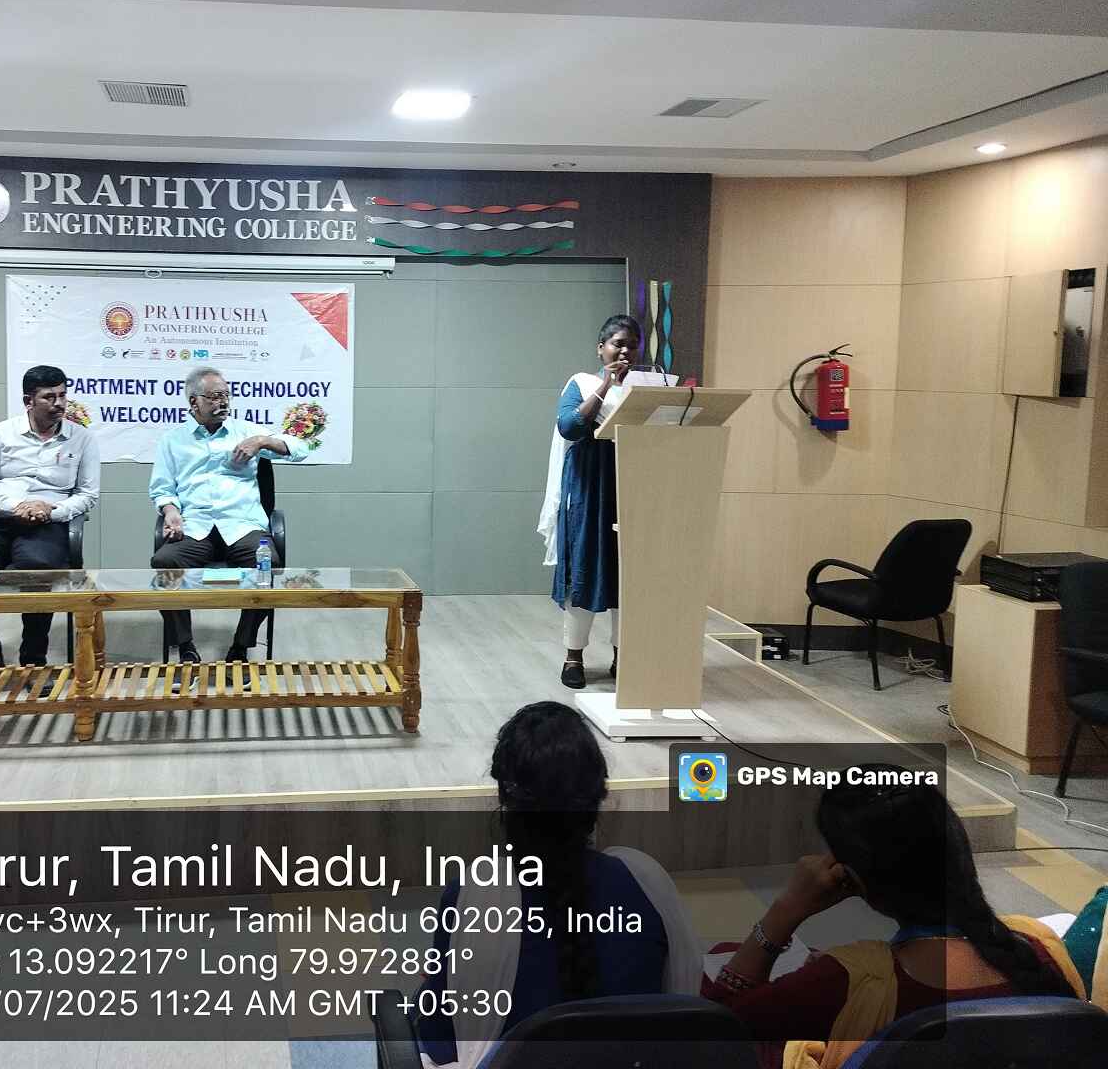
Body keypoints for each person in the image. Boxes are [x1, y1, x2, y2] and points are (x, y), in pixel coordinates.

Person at [703, 773, 1085, 1069]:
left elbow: (713, 1033)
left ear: (852, 878)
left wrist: (785, 911)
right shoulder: (1042, 948)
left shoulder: (852, 979)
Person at [414, 701, 701, 1069]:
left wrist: (434, 989)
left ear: (504, 797)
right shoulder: (649, 885)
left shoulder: (474, 897)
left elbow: (441, 1045)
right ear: (599, 796)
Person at [149, 367, 308, 663]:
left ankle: (241, 646)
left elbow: (301, 449)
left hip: (242, 525)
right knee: (164, 563)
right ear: (194, 402)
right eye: (214, 396)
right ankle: (185, 645)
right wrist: (170, 511)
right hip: (196, 527)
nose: (223, 402)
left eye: (226, 395)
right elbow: (162, 489)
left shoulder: (245, 431)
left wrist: (262, 441)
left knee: (267, 567)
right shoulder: (173, 440)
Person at [0, 364, 100, 667]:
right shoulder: (0, 433)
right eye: (49, 397)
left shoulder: (82, 438)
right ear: (28, 401)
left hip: (46, 523)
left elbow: (88, 495)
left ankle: (33, 657)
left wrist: (51, 510)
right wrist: (16, 507)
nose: (59, 404)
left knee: (38, 569)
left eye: (63, 395)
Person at [543, 314, 639, 689]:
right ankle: (574, 657)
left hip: (634, 487)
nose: (625, 351)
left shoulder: (648, 389)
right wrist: (606, 385)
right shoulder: (581, 383)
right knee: (584, 569)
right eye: (618, 343)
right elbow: (569, 426)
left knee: (629, 576)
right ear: (601, 349)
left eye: (632, 345)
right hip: (590, 488)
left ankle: (624, 655)